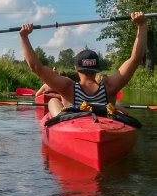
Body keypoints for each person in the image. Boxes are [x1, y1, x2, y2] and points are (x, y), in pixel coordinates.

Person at [19, 12, 147, 117]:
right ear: (97, 69)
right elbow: (136, 59)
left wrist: (24, 36)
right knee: (115, 108)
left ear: (76, 68)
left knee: (53, 101)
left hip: (72, 125)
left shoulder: (67, 86)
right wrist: (142, 24)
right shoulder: (110, 86)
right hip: (104, 121)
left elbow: (36, 68)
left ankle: (61, 119)